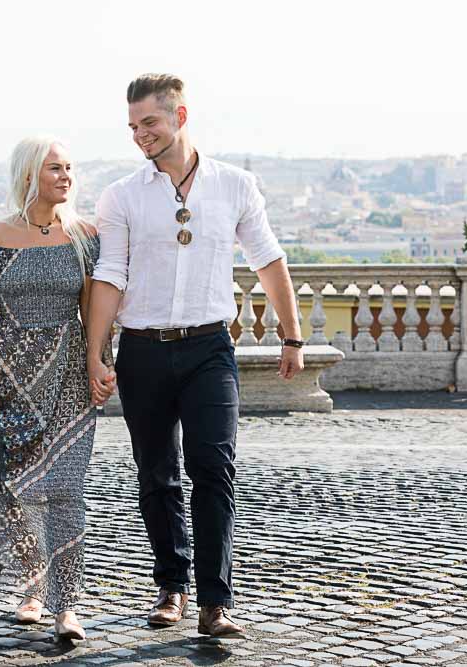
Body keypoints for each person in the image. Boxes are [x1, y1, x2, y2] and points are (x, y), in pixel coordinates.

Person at [85, 73, 304, 638]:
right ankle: (172, 587)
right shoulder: (121, 196)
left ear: (180, 117)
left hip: (210, 347)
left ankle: (216, 601)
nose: (140, 135)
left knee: (213, 465)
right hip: (142, 351)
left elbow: (267, 259)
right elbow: (109, 275)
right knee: (156, 474)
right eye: (133, 126)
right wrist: (95, 353)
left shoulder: (236, 185)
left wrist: (292, 335)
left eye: (149, 123)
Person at [0, 136, 108, 642]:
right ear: (29, 175)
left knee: (67, 488)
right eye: (54, 168)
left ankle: (67, 605)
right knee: (21, 487)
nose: (66, 176)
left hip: (69, 374)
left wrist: (98, 364)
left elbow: (94, 313)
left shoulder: (84, 236)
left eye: (69, 167)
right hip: (12, 376)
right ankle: (32, 588)